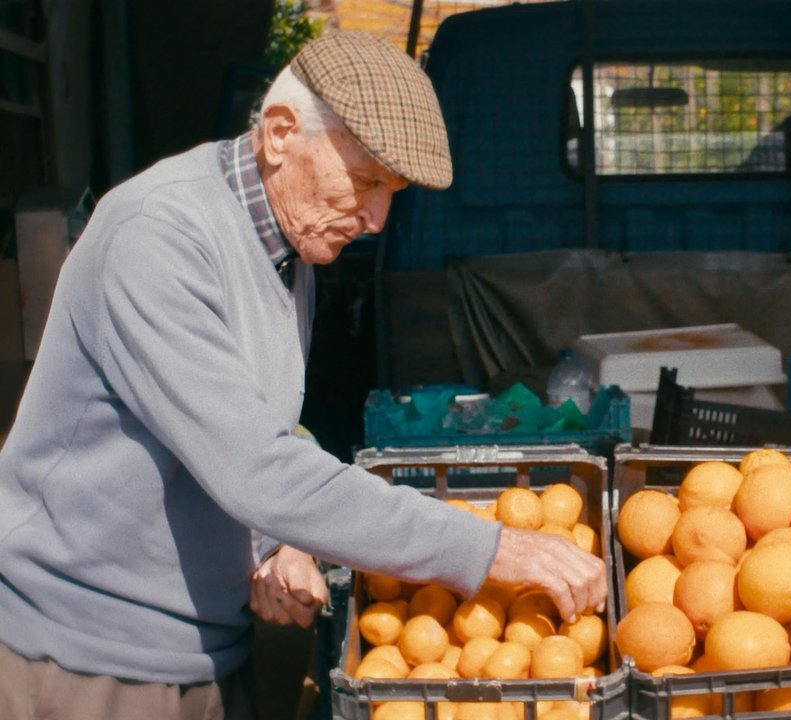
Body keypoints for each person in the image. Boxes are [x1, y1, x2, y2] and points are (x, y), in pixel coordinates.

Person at [0, 30, 607, 720]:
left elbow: (251, 422)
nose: (378, 218)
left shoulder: (289, 244)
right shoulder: (158, 235)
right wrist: (491, 548)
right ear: (282, 133)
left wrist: (280, 537)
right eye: (367, 181)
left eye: (394, 193)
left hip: (203, 646)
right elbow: (253, 466)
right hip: (89, 657)